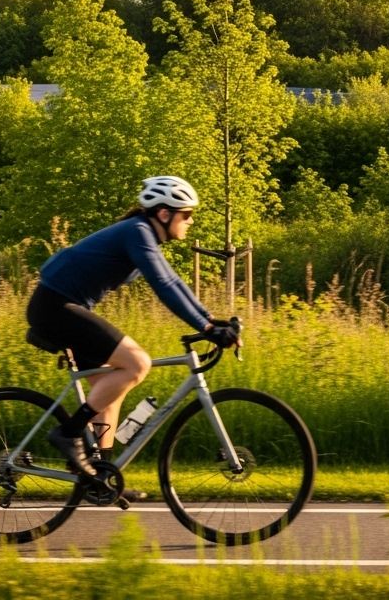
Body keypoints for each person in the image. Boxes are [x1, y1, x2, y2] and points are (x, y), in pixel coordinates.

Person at [26, 175, 239, 482]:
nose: (190, 221)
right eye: (187, 214)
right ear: (164, 214)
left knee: (111, 390)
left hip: (63, 308)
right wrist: (206, 327)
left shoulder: (144, 235)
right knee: (137, 364)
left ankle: (100, 478)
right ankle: (68, 432)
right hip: (54, 308)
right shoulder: (137, 232)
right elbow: (163, 285)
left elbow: (174, 282)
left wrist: (210, 321)